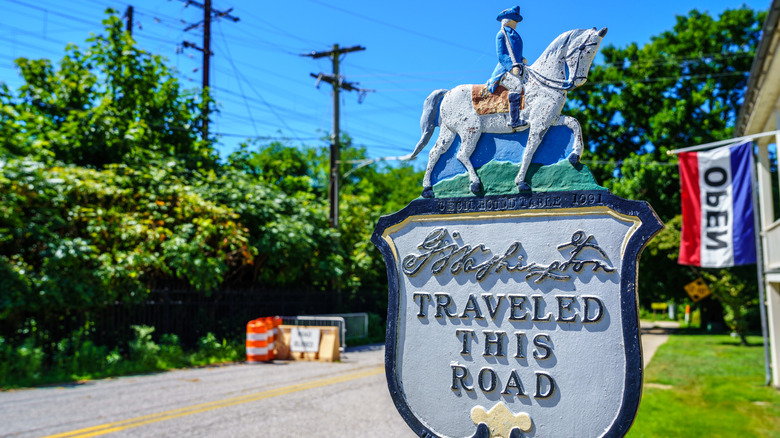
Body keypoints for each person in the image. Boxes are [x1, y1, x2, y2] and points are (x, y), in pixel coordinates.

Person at [487, 6, 528, 129]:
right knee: (516, 85)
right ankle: (514, 120)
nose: (516, 23)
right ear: (508, 20)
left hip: (518, 66)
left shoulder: (514, 35)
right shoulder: (501, 34)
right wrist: (511, 67)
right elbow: (502, 55)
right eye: (514, 20)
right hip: (504, 69)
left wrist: (522, 59)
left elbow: (515, 53)